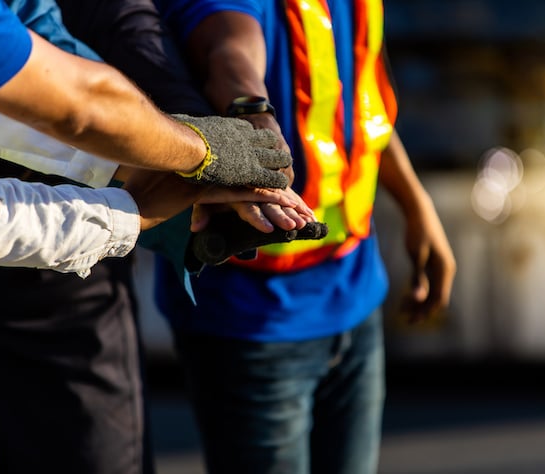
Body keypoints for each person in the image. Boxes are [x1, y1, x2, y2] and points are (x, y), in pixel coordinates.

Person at [0, 0, 306, 472]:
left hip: (6, 239)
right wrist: (169, 176)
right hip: (4, 246)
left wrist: (175, 156)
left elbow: (18, 75)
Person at [154, 1, 457, 472]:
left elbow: (357, 99)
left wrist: (415, 202)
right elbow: (227, 47)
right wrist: (251, 113)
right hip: (255, 323)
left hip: (354, 293)